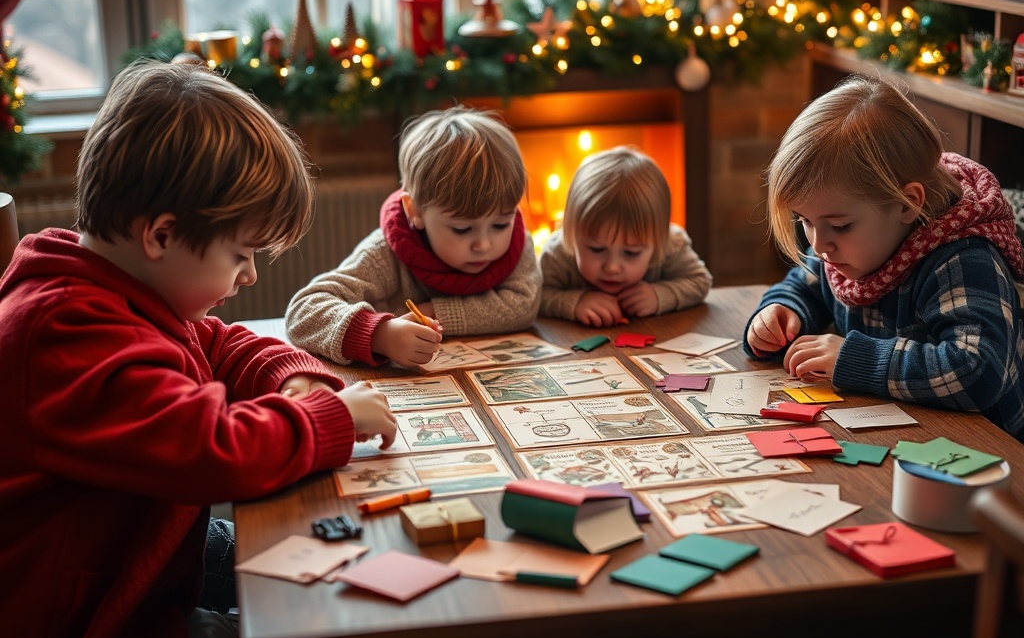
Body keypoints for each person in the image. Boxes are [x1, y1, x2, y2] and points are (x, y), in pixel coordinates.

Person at [0, 59, 397, 638]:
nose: (248, 278)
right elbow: (212, 450)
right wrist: (334, 418)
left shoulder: (115, 290)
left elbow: (219, 346)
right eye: (240, 255)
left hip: (129, 555)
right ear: (161, 235)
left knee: (321, 557)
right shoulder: (64, 334)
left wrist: (298, 379)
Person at [745, 74, 1024, 441]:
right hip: (896, 433)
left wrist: (856, 360)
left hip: (983, 456)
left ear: (908, 202)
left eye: (840, 226)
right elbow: (808, 282)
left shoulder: (964, 260)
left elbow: (977, 371)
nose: (819, 245)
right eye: (805, 222)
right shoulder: (850, 248)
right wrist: (782, 311)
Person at [286, 105, 541, 367]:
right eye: (462, 229)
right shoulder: (384, 253)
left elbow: (524, 305)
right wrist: (379, 335)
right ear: (414, 211)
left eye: (500, 224)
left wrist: (436, 313)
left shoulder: (516, 242)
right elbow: (304, 311)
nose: (485, 244)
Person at [539, 146, 712, 327]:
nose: (612, 267)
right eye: (597, 249)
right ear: (571, 234)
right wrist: (574, 303)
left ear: (657, 241)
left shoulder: (670, 245)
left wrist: (659, 295)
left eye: (631, 252)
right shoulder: (558, 252)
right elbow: (536, 296)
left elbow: (700, 281)